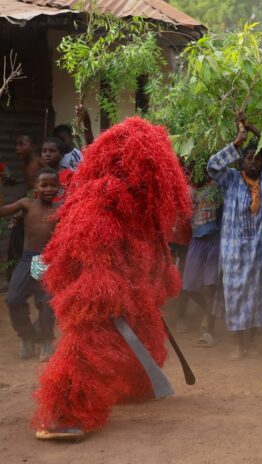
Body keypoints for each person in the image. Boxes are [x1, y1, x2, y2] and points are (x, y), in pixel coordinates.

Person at [33, 117, 190, 440]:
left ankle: (136, 383)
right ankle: (66, 413)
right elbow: (85, 247)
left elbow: (148, 247)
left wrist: (153, 278)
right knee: (92, 338)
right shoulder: (100, 196)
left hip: (125, 280)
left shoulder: (138, 202)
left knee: (142, 322)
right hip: (95, 281)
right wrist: (101, 287)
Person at [208, 130, 262, 360]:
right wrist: (237, 143)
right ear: (241, 160)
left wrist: (261, 133)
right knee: (236, 296)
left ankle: (250, 344)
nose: (253, 162)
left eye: (258, 158)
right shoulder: (231, 179)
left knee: (257, 297)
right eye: (249, 157)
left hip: (260, 252)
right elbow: (212, 166)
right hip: (234, 252)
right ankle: (238, 345)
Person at [1, 168, 59, 362]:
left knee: (45, 302)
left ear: (58, 188)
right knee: (14, 299)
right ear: (36, 187)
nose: (48, 189)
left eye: (53, 185)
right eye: (44, 185)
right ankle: (28, 336)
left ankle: (46, 340)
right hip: (29, 259)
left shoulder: (60, 209)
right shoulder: (27, 204)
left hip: (46, 260)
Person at [175, 176, 221, 348]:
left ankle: (210, 332)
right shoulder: (187, 190)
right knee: (189, 286)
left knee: (210, 287)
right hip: (196, 240)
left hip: (214, 239)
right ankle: (209, 312)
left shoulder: (216, 186)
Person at [7, 135, 42, 280]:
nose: (17, 148)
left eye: (21, 144)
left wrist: (22, 210)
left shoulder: (39, 162)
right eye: (16, 145)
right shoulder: (26, 164)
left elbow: (40, 189)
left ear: (33, 147)